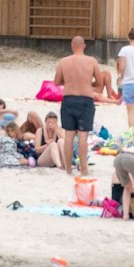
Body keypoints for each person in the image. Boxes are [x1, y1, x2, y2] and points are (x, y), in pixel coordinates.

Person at [53, 36, 100, 177]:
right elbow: (99, 82)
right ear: (84, 46)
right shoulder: (92, 61)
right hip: (85, 100)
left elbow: (56, 82)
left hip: (69, 99)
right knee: (83, 136)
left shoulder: (63, 61)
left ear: (72, 46)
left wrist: (69, 82)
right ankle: (84, 169)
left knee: (69, 135)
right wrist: (86, 83)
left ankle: (68, 169)